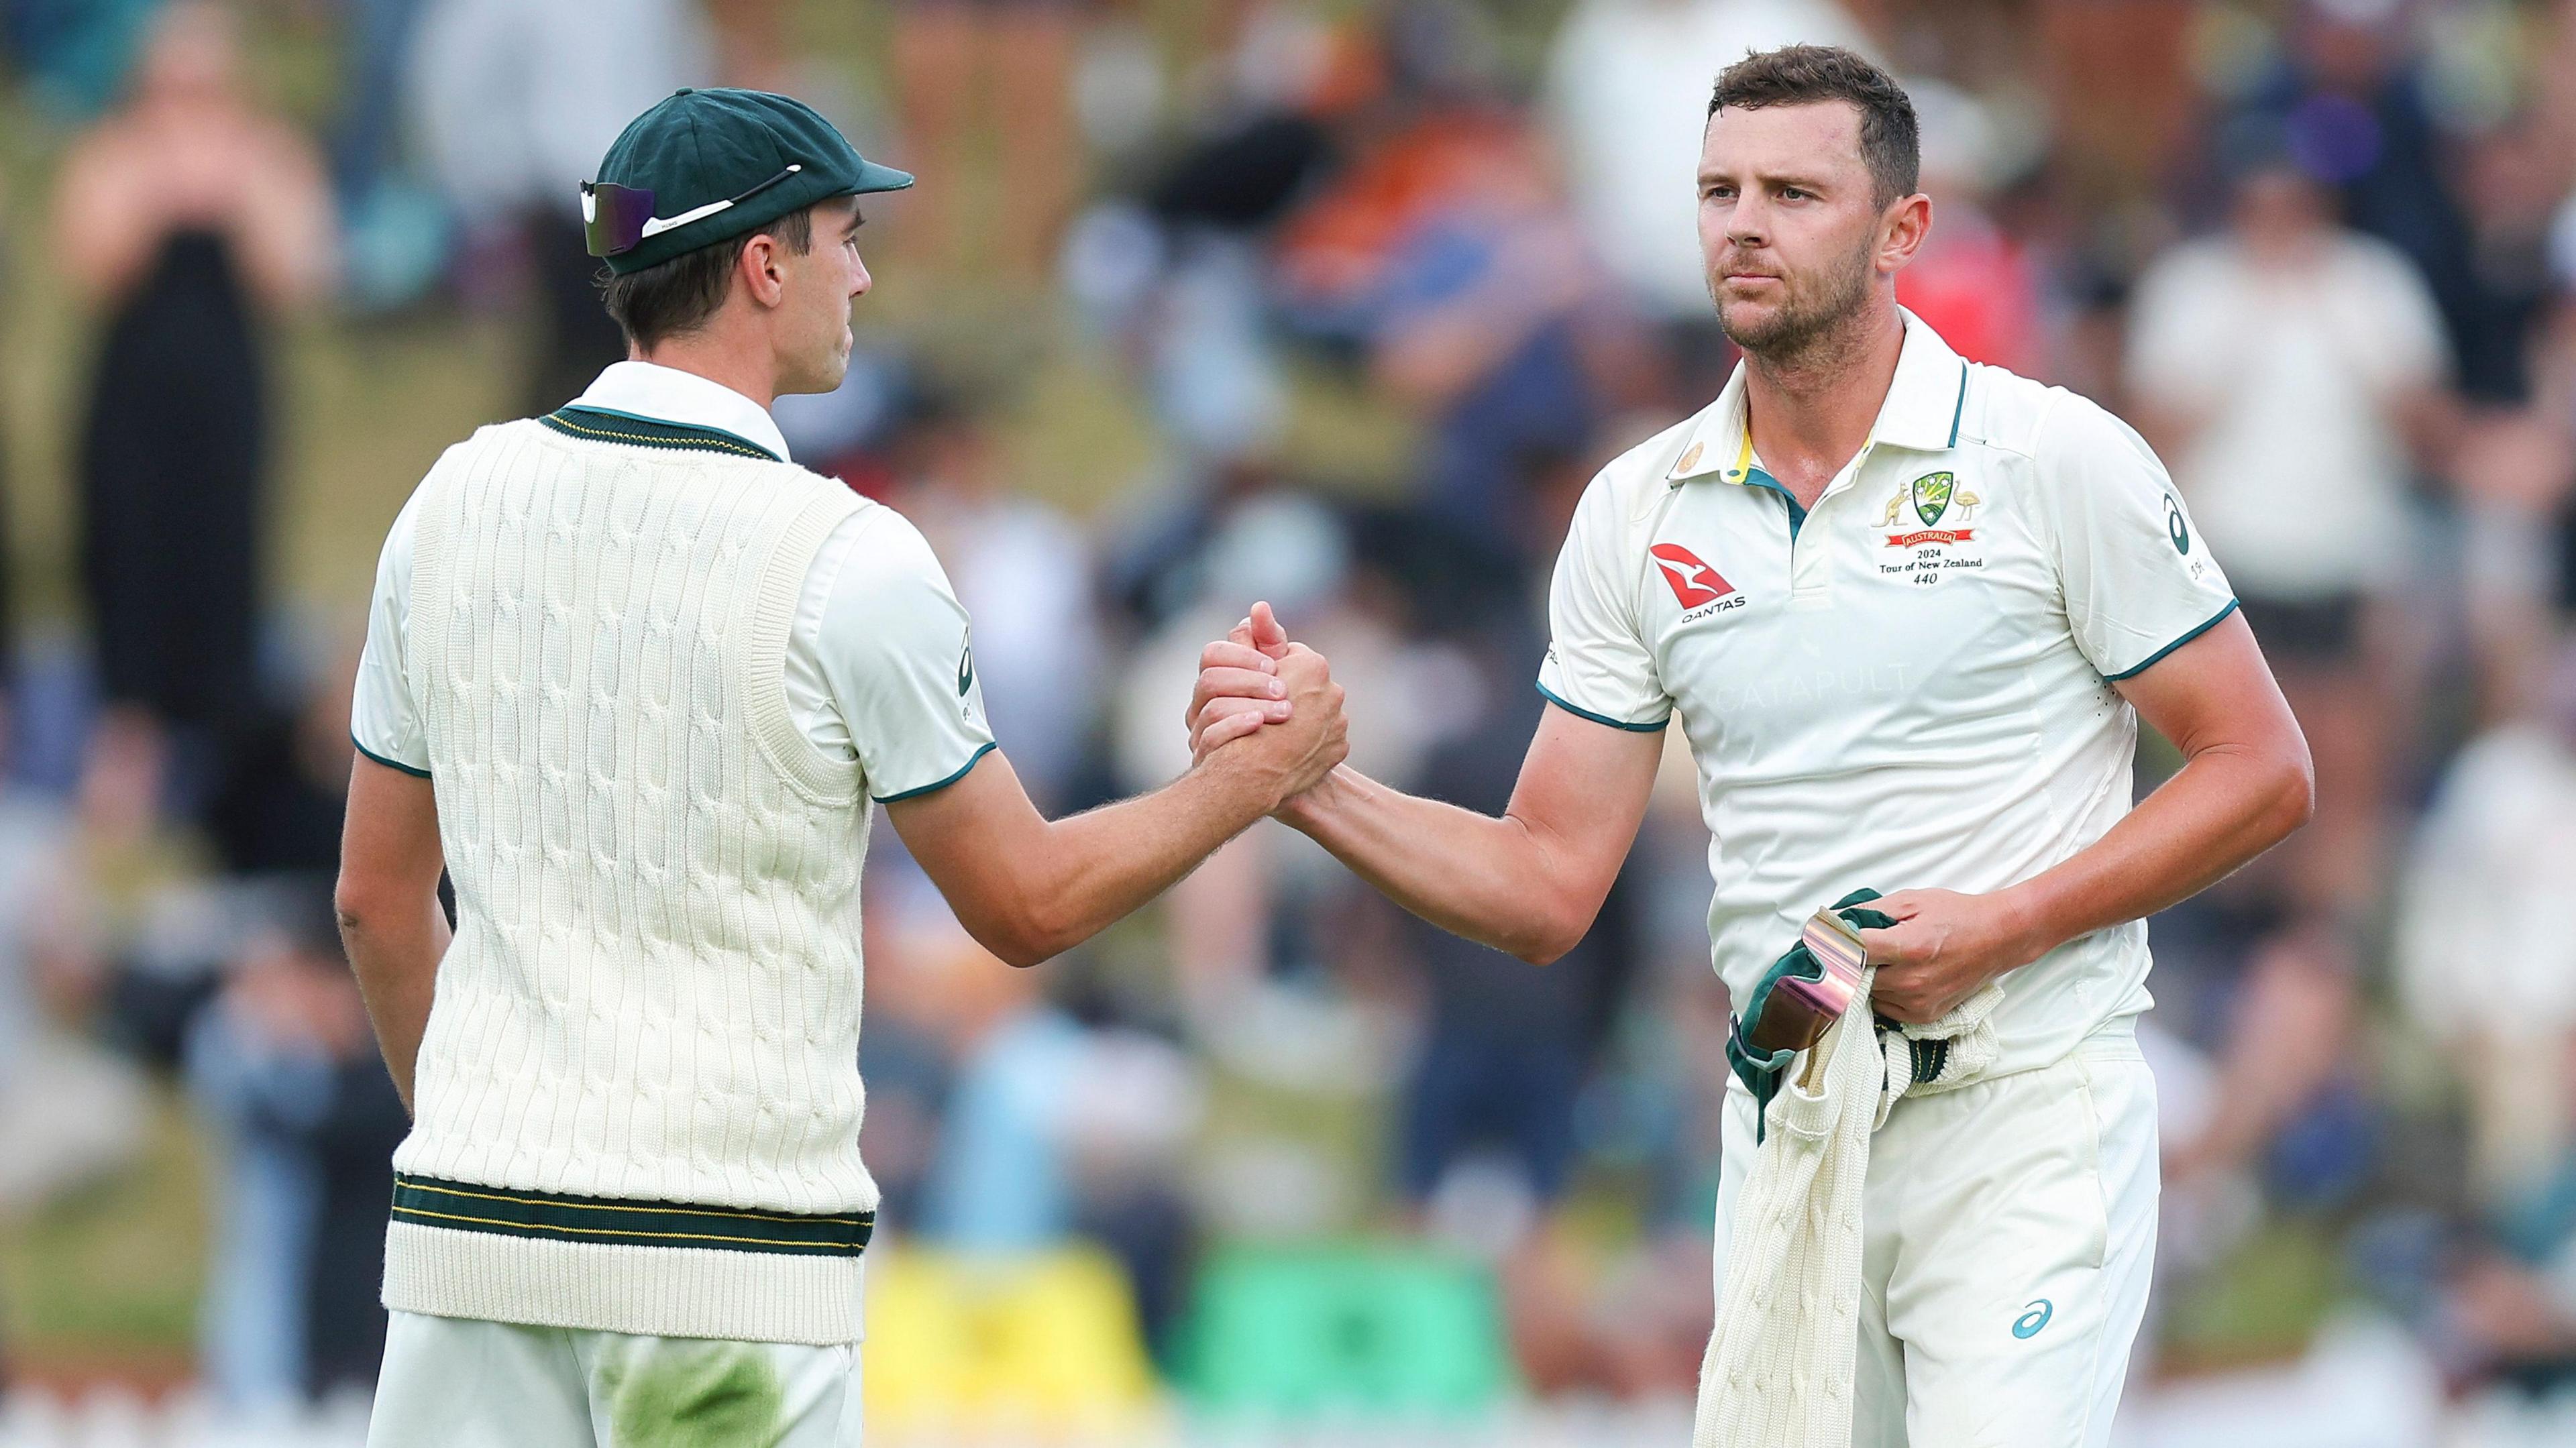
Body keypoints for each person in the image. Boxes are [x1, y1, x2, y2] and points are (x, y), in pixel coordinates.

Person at [1192, 46, 2312, 1446]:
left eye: (1794, 191)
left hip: (2025, 1112)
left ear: (1904, 229)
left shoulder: (2052, 459)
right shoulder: (1634, 509)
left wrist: (2011, 922)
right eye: (1719, 191)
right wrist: (1309, 785)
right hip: (1790, 1123)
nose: (1744, 225)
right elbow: (1546, 885)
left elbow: (2265, 768)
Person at [336, 88, 1346, 1448]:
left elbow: (375, 903)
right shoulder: (847, 559)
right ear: (764, 264)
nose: (862, 272)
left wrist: (483, 1139)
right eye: (844, 235)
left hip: (466, 1251)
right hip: (724, 1272)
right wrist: (1250, 781)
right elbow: (1025, 904)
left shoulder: (447, 504)